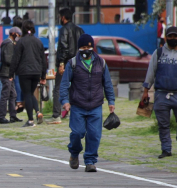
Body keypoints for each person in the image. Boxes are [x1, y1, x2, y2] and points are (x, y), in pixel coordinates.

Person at [59, 34, 116, 172]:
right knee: (77, 133)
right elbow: (64, 84)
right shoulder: (72, 63)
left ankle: (90, 161)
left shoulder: (101, 63)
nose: (86, 49)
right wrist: (65, 101)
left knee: (94, 134)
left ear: (92, 47)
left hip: (95, 105)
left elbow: (107, 83)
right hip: (78, 105)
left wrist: (111, 101)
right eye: (83, 47)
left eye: (89, 47)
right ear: (79, 48)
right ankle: (74, 152)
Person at [142, 26, 177, 159]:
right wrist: (146, 91)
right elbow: (151, 72)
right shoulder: (158, 53)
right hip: (161, 94)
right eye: (170, 36)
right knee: (163, 124)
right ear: (166, 37)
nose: (172, 39)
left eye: (175, 36)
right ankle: (166, 149)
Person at [48, 8, 84, 125]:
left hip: (67, 63)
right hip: (78, 63)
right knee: (76, 88)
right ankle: (74, 112)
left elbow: (63, 46)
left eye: (60, 16)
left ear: (63, 17)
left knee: (58, 88)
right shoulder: (80, 30)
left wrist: (61, 63)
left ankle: (56, 115)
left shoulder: (64, 30)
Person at [9, 20, 47, 127]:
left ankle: (30, 120)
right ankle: (38, 112)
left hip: (24, 72)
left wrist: (11, 74)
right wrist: (43, 75)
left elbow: (15, 59)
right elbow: (43, 60)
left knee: (27, 94)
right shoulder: (39, 42)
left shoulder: (21, 42)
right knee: (30, 93)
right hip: (36, 72)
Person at [0, 27, 22, 124]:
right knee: (5, 95)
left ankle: (13, 115)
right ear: (14, 34)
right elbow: (7, 59)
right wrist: (16, 62)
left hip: (9, 73)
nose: (18, 37)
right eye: (18, 35)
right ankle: (1, 117)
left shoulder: (9, 43)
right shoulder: (8, 44)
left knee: (13, 95)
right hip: (6, 73)